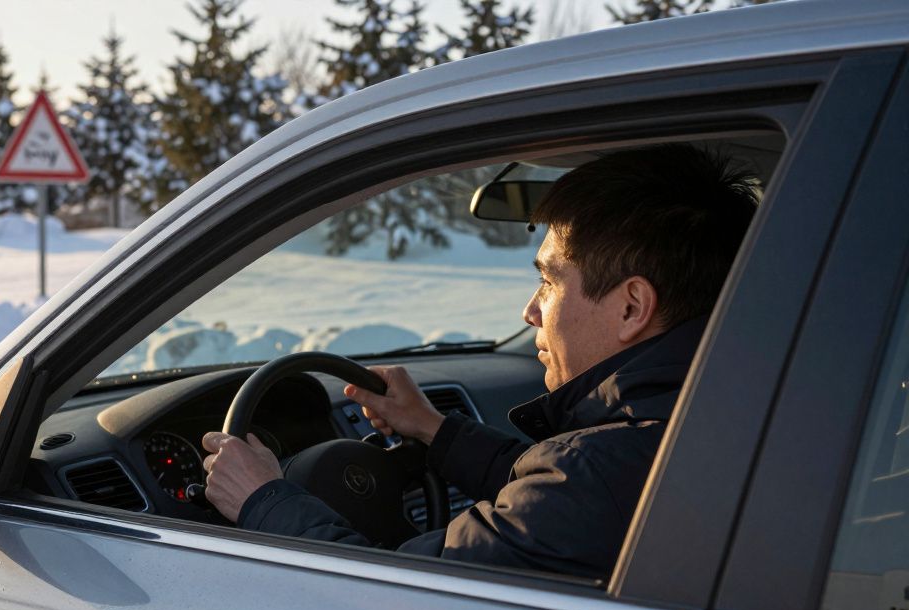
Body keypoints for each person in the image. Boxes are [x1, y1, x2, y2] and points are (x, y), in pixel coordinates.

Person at [199, 143, 760, 579]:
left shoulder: (600, 475)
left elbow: (395, 594)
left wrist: (264, 500)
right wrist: (434, 430)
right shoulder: (720, 414)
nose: (530, 312)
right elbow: (554, 503)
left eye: (549, 281)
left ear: (632, 306)